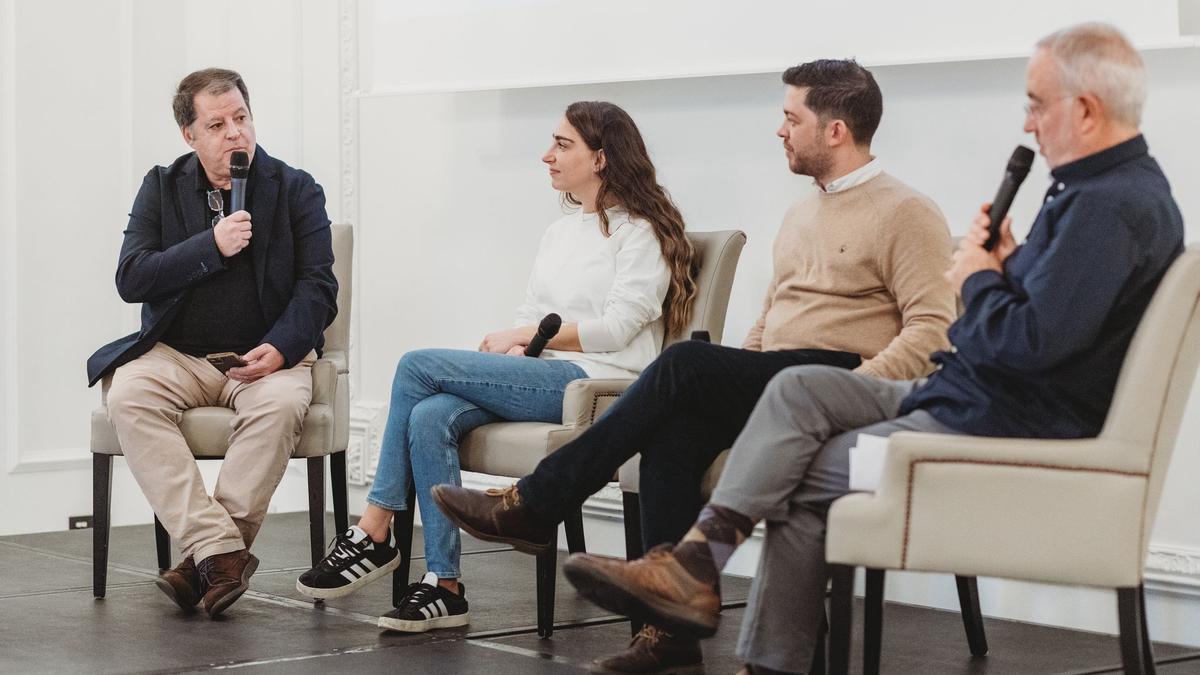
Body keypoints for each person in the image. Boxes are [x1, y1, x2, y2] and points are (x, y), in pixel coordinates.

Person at [555, 23, 1185, 674]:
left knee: (798, 464)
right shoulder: (1092, 195)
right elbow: (1045, 323)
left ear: (1084, 110)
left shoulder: (1109, 206)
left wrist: (979, 277)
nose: (1028, 125)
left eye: (1036, 104)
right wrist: (1011, 263)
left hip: (993, 424)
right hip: (964, 397)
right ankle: (695, 570)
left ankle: (725, 607)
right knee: (796, 389)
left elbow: (1021, 345)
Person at [432, 59, 956, 671]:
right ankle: (668, 641)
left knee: (683, 364)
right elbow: (771, 323)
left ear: (834, 130)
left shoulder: (907, 211)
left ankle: (536, 502)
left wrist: (847, 391)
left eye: (791, 118)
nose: (779, 130)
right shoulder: (801, 213)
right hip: (784, 377)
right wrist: (747, 377)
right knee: (673, 432)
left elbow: (932, 331)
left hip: (840, 378)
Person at [295, 101, 699, 632]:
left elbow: (619, 328)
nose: (546, 155)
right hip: (546, 375)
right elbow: (532, 314)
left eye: (562, 144)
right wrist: (516, 349)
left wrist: (525, 336)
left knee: (416, 365)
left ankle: (374, 528)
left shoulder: (639, 231)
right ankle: (445, 585)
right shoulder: (560, 233)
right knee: (428, 415)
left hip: (598, 384)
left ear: (600, 158)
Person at [87, 68, 338, 618]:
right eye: (217, 124)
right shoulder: (161, 185)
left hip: (265, 358)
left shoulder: (296, 188)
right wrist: (211, 245)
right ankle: (220, 552)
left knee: (279, 407)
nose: (234, 134)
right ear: (190, 135)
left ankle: (199, 559)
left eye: (241, 119)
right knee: (127, 393)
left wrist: (282, 347)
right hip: (178, 355)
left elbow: (319, 285)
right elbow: (132, 277)